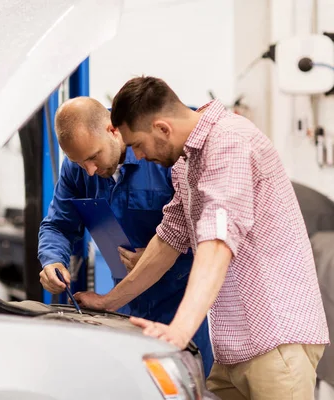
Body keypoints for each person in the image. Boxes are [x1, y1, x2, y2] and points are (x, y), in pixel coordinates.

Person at [81, 75, 329, 399]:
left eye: (138, 145)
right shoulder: (187, 162)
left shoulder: (229, 142)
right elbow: (169, 240)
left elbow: (216, 243)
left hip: (276, 343)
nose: (137, 157)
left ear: (162, 128)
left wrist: (179, 331)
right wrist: (108, 302)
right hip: (235, 349)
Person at [37, 96, 214, 374]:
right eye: (80, 162)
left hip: (183, 303)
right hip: (125, 305)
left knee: (189, 382)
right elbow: (58, 225)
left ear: (112, 129)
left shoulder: (163, 155)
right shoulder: (78, 167)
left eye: (94, 157)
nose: (90, 171)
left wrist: (162, 252)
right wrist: (52, 261)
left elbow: (210, 232)